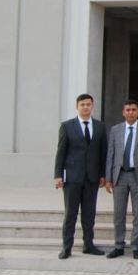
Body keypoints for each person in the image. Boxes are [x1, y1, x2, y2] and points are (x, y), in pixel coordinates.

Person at [54, 93, 108, 259]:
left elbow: (103, 153)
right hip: (72, 177)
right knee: (70, 214)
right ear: (77, 107)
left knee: (89, 214)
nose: (85, 107)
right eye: (82, 104)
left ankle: (88, 244)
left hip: (92, 178)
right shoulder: (67, 126)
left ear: (92, 106)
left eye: (88, 104)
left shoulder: (100, 127)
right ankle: (67, 247)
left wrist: (103, 175)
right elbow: (61, 152)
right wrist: (58, 175)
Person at [104, 99, 138, 259]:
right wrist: (108, 178)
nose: (130, 112)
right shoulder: (115, 130)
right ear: (123, 112)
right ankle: (118, 245)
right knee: (118, 213)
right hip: (119, 176)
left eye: (133, 109)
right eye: (127, 110)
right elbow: (110, 154)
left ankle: (136, 245)